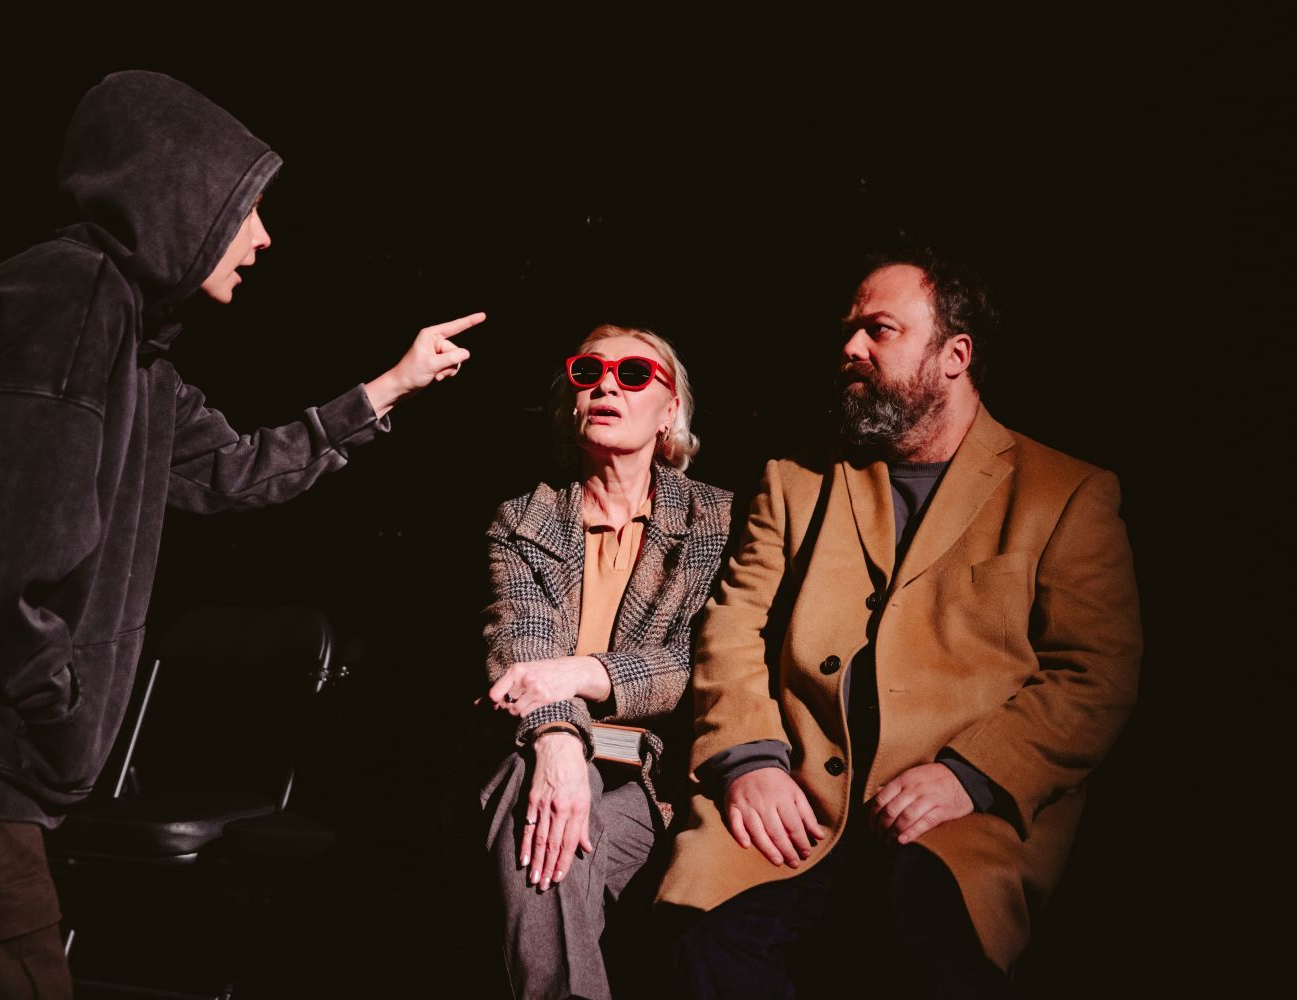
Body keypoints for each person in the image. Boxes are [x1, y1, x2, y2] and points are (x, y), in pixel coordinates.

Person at [0, 70, 483, 998]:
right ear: (180, 198)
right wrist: (57, 706)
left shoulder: (128, 338)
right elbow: (3, 562)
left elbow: (230, 468)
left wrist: (388, 388)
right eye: (247, 209)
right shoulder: (67, 305)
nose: (263, 237)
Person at [659, 250, 1142, 997]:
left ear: (955, 356)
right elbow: (734, 627)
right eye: (848, 331)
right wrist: (749, 763)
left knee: (928, 930)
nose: (851, 347)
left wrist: (970, 776)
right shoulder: (794, 481)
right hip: (796, 797)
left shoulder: (1067, 492)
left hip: (956, 816)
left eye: (879, 330)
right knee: (707, 933)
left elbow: (1096, 672)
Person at [478, 325, 732, 999]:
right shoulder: (524, 519)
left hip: (661, 782)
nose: (606, 386)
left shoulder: (718, 521)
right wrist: (560, 740)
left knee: (542, 841)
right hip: (540, 761)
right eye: (588, 373)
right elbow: (525, 649)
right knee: (539, 794)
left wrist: (585, 673)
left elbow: (706, 663)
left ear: (670, 411)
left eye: (634, 374)